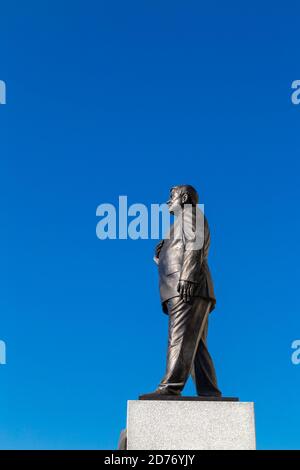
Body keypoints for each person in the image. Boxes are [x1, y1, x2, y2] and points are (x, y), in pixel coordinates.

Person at [140, 185, 221, 398]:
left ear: (184, 197)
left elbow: (195, 245)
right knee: (195, 347)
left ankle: (170, 387)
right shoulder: (179, 223)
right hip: (186, 288)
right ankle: (209, 391)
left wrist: (187, 277)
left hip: (187, 288)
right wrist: (162, 255)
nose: (168, 201)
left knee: (180, 338)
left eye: (171, 196)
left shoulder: (191, 214)